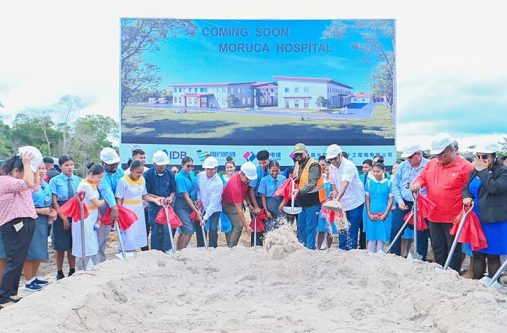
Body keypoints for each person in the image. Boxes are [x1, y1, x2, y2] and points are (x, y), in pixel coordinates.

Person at [410, 133, 473, 271]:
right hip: (433, 214)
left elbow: (471, 191)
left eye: (442, 154)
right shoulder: (432, 164)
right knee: (437, 246)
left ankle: (451, 272)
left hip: (454, 217)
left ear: (452, 149)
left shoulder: (466, 167)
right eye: (436, 155)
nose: (439, 158)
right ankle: (439, 269)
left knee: (453, 248)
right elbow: (422, 178)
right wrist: (417, 184)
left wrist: (464, 212)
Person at [462, 143, 507, 281]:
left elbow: (494, 188)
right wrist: (466, 197)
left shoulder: (503, 172)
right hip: (476, 217)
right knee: (477, 253)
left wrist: (483, 172)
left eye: (485, 156)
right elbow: (466, 188)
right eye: (478, 156)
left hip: (493, 218)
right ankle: (477, 283)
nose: (481, 159)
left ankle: (494, 282)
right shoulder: (474, 171)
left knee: (492, 254)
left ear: (494, 156)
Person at [0, 152, 38, 308]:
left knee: (18, 260)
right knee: (14, 261)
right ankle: (3, 297)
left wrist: (34, 168)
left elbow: (35, 186)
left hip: (25, 223)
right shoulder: (4, 180)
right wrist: (27, 163)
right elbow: (29, 182)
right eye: (24, 170)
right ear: (16, 171)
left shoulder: (19, 182)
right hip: (14, 224)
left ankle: (11, 293)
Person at [391, 144, 430, 259]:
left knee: (421, 232)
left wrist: (422, 200)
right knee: (396, 229)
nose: (409, 160)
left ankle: (420, 258)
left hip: (421, 204)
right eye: (407, 157)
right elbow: (395, 184)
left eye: (411, 157)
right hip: (404, 203)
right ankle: (394, 257)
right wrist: (399, 200)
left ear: (419, 154)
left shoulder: (429, 165)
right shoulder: (403, 166)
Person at [116, 160, 164, 252]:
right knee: (128, 234)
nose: (139, 175)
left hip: (139, 210)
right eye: (137, 172)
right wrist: (120, 214)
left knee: (137, 233)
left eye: (141, 173)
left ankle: (133, 253)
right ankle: (124, 253)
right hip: (127, 211)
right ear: (131, 170)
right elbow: (119, 199)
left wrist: (155, 200)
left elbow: (144, 195)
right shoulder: (123, 181)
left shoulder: (142, 180)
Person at [23, 162, 56, 291]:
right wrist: (40, 211)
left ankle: (34, 277)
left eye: (43, 169)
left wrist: (51, 211)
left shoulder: (46, 185)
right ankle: (28, 280)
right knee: (31, 250)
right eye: (38, 169)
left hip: (44, 220)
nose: (42, 171)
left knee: (39, 250)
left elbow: (48, 202)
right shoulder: (29, 186)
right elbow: (24, 205)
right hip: (32, 219)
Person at [326, 144, 365, 250]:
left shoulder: (349, 166)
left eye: (335, 158)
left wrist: (336, 200)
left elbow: (344, 184)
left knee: (352, 232)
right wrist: (334, 192)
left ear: (341, 155)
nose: (333, 161)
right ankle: (342, 253)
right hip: (341, 203)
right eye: (330, 159)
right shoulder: (332, 167)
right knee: (341, 230)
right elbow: (333, 183)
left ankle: (352, 254)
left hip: (355, 203)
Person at [290, 143, 326, 250]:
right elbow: (302, 180)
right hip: (302, 202)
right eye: (296, 155)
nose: (298, 156)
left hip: (313, 202)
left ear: (306, 152)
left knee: (311, 228)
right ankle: (303, 249)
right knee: (301, 228)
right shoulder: (299, 164)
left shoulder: (314, 165)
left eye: (300, 154)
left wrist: (298, 190)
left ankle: (309, 251)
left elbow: (312, 183)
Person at [49, 155, 80, 280]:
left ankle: (72, 270)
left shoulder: (78, 179)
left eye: (71, 164)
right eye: (66, 165)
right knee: (60, 244)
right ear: (61, 167)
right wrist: (64, 218)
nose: (69, 167)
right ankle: (59, 271)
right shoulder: (55, 181)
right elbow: (54, 201)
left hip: (75, 211)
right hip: (61, 211)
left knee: (73, 244)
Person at [74, 165, 106, 269]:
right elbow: (97, 203)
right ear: (91, 174)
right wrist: (106, 199)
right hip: (85, 218)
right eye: (99, 177)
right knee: (87, 245)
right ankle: (84, 268)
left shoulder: (91, 184)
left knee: (92, 244)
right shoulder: (85, 185)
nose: (100, 180)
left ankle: (91, 266)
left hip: (92, 217)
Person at [144, 151, 176, 252]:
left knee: (167, 228)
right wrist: (158, 198)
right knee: (155, 229)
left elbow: (173, 190)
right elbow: (146, 193)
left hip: (167, 205)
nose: (162, 167)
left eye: (164, 165)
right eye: (160, 166)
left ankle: (166, 249)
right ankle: (155, 251)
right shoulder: (148, 175)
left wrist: (170, 197)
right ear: (154, 164)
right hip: (153, 206)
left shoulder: (170, 173)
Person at [97, 147, 124, 263]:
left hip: (117, 207)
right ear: (103, 163)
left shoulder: (120, 172)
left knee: (112, 233)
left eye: (116, 163)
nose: (114, 166)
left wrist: (117, 207)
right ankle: (98, 262)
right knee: (100, 237)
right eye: (111, 164)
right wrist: (114, 207)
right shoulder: (100, 174)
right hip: (101, 209)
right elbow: (106, 190)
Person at [222, 162, 257, 247]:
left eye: (250, 179)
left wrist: (248, 204)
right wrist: (246, 226)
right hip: (229, 205)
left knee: (234, 225)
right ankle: (231, 249)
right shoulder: (235, 186)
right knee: (238, 226)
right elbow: (239, 210)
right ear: (241, 174)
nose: (249, 181)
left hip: (236, 203)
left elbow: (245, 192)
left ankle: (230, 246)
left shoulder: (243, 179)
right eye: (248, 179)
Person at [363, 163, 394, 253]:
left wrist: (385, 214)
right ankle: (370, 255)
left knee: (382, 236)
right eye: (374, 171)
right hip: (372, 212)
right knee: (371, 235)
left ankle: (380, 255)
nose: (376, 173)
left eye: (378, 171)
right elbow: (367, 199)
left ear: (384, 171)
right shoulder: (369, 183)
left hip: (384, 212)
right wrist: (368, 213)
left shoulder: (389, 183)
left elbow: (391, 200)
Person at [174, 157, 202, 250]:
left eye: (192, 166)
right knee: (189, 230)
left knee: (183, 231)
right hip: (181, 205)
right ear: (182, 165)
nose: (190, 168)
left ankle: (178, 251)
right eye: (188, 166)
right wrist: (196, 211)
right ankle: (182, 251)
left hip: (191, 203)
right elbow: (186, 196)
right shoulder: (179, 177)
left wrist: (197, 201)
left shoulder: (192, 174)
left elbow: (195, 189)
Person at [197, 157, 223, 248]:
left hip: (215, 208)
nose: (208, 171)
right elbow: (198, 189)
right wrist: (199, 200)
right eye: (207, 169)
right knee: (200, 227)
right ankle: (200, 247)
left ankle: (213, 248)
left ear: (216, 169)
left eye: (211, 169)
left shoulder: (218, 183)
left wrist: (205, 218)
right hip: (202, 206)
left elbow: (213, 203)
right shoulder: (200, 176)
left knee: (213, 228)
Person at [247, 150, 270, 246]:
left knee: (267, 224)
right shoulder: (256, 171)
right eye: (259, 163)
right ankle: (255, 245)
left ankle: (266, 245)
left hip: (268, 200)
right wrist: (255, 206)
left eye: (264, 162)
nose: (262, 165)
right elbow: (251, 190)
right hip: (256, 199)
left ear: (269, 159)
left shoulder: (273, 169)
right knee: (256, 224)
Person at [258, 160, 286, 233]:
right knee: (270, 228)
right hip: (269, 205)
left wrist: (283, 204)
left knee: (281, 226)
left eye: (276, 170)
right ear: (269, 170)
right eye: (272, 171)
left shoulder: (283, 179)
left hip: (281, 205)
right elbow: (263, 196)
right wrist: (266, 211)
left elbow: (286, 194)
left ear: (279, 169)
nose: (274, 173)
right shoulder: (264, 180)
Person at [316, 165, 334, 250]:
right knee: (321, 228)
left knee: (330, 229)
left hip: (332, 208)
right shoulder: (321, 181)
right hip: (322, 207)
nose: (328, 172)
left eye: (330, 170)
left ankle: (328, 248)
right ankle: (318, 248)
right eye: (327, 170)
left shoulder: (335, 182)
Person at [218, 160, 235, 242]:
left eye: (231, 167)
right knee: (226, 224)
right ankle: (229, 243)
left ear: (234, 167)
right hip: (224, 205)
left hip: (236, 205)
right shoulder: (221, 178)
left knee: (235, 225)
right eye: (227, 167)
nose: (229, 169)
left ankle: (232, 245)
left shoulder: (237, 177)